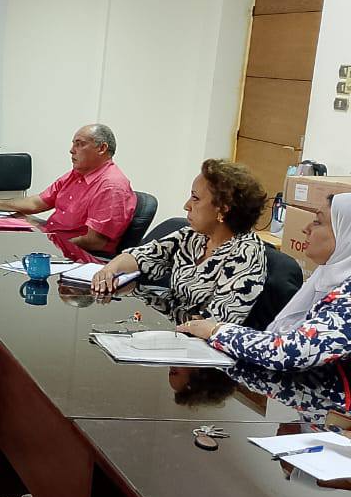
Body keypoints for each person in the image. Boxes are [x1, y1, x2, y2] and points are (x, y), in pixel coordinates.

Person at [179, 194, 351, 413]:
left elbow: (292, 352)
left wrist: (216, 331)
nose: (306, 229)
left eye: (318, 222)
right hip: (312, 400)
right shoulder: (329, 279)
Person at [92, 159, 269, 324]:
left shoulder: (246, 254)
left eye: (195, 198)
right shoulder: (193, 235)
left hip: (193, 339)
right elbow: (141, 257)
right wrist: (109, 270)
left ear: (222, 209)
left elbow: (215, 324)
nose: (187, 205)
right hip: (166, 323)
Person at [0, 124, 136, 254]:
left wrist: (47, 243)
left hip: (76, 256)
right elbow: (37, 203)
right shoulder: (76, 174)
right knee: (3, 231)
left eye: (80, 144)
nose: (72, 150)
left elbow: (95, 241)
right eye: (73, 144)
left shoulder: (111, 186)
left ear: (102, 148)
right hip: (53, 241)